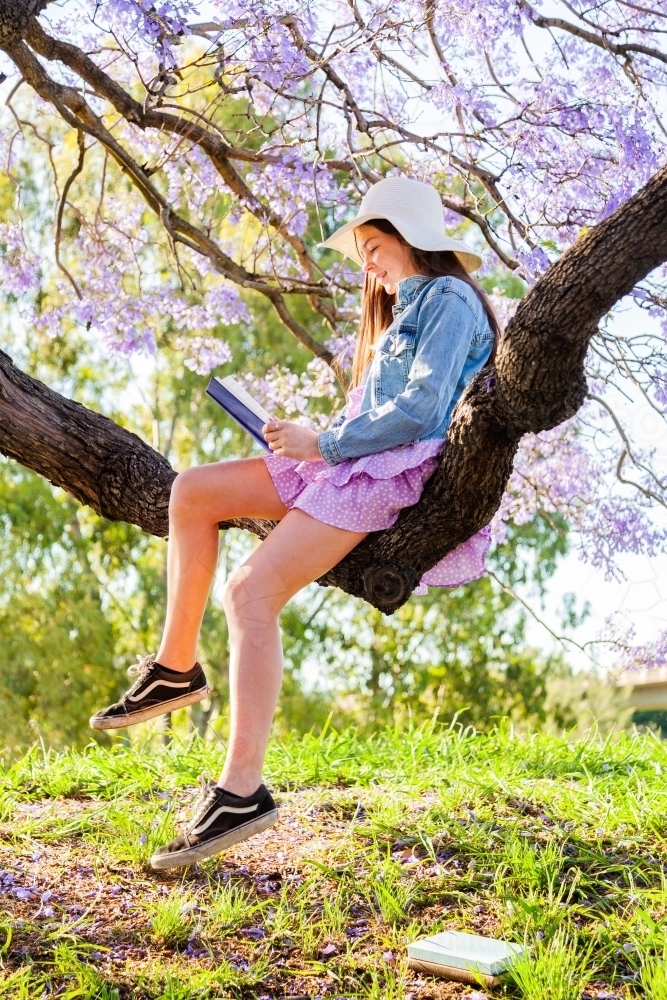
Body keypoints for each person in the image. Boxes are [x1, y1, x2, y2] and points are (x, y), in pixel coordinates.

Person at [89, 176, 499, 870]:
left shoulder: (451, 298)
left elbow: (425, 410)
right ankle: (175, 667)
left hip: (385, 474)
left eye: (374, 247)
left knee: (249, 595)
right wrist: (307, 436)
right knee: (192, 491)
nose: (366, 264)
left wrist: (326, 443)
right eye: (363, 251)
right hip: (347, 459)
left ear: (412, 241)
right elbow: (387, 405)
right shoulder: (406, 310)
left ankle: (241, 790)